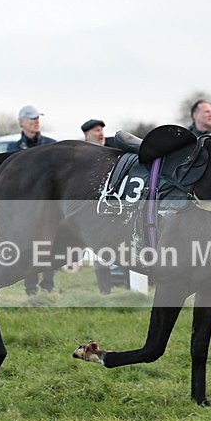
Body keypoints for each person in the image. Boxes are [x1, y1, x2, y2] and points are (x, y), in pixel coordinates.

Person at [7, 105, 57, 294]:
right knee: (28, 248)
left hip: (49, 207)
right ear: (21, 122)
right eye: (31, 118)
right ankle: (30, 288)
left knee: (49, 246)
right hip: (24, 208)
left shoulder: (51, 145)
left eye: (37, 118)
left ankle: (48, 285)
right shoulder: (13, 149)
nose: (36, 121)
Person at [80, 119, 115, 294]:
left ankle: (112, 290)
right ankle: (104, 291)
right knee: (101, 253)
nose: (101, 133)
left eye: (102, 130)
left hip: (111, 208)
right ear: (87, 135)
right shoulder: (81, 156)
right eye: (96, 131)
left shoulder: (112, 152)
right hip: (89, 210)